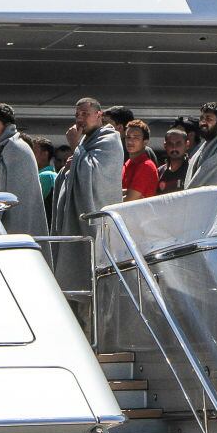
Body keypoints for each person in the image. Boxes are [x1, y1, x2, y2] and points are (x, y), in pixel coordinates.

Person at [52, 97, 123, 289]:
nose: (80, 119)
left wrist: (76, 147)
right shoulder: (84, 142)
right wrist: (68, 169)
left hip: (95, 224)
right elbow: (76, 170)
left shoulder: (110, 139)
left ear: (99, 115)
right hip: (74, 221)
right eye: (77, 115)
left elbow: (97, 176)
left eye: (85, 114)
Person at [0, 103, 51, 256]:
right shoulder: (5, 147)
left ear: (6, 125)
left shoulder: (15, 148)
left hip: (18, 227)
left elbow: (16, 199)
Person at [185, 102, 217, 188]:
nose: (202, 123)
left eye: (208, 119)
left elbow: (215, 190)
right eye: (202, 118)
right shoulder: (201, 148)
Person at [122, 119, 159, 201]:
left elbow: (130, 200)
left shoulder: (146, 166)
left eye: (136, 138)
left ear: (145, 142)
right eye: (128, 137)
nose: (130, 141)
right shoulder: (127, 163)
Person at [32, 137, 58, 224]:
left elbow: (32, 205)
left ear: (45, 154)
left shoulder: (46, 176)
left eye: (34, 152)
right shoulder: (54, 175)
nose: (30, 155)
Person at [157, 127, 189, 195]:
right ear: (165, 145)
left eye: (178, 143)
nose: (174, 147)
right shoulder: (159, 172)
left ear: (187, 145)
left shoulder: (192, 170)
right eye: (170, 144)